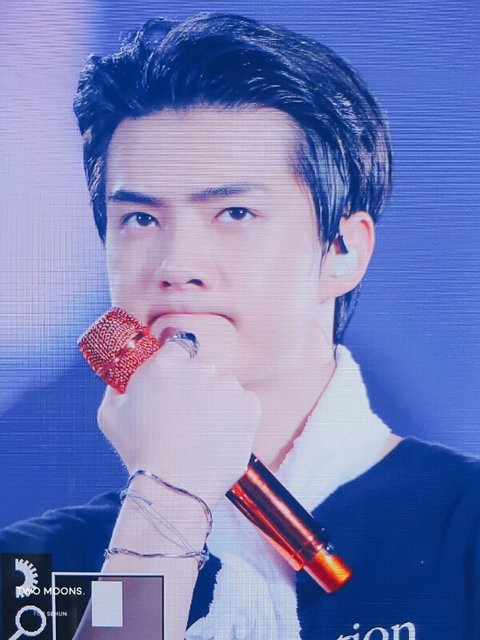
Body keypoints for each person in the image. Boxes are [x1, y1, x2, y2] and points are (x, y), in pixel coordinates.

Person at [1, 12, 479, 640]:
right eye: (141, 220)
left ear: (343, 249)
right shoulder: (34, 565)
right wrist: (168, 498)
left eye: (234, 213)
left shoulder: (464, 525)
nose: (176, 266)